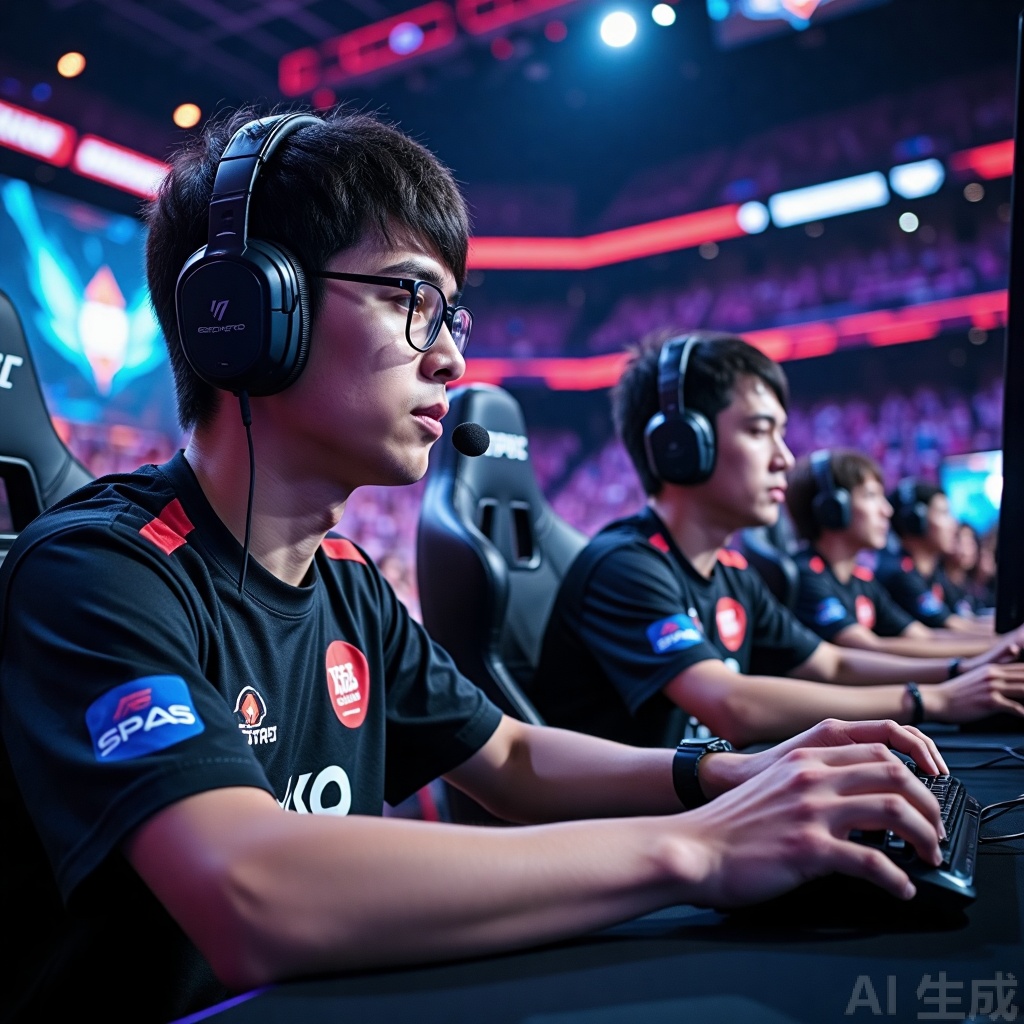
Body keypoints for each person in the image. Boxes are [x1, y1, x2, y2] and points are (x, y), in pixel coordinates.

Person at [0, 110, 956, 1022]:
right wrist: (702, 849)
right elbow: (250, 892)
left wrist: (728, 774)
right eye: (412, 300)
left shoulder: (348, 583)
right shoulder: (97, 570)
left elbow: (508, 757)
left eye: (452, 315)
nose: (454, 359)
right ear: (246, 311)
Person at [529, 331, 1024, 750]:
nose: (784, 458)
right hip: (633, 824)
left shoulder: (732, 572)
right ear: (680, 444)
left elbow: (830, 663)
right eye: (759, 431)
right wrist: (932, 699)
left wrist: (966, 670)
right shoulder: (626, 565)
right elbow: (732, 705)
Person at [785, 449, 1002, 658]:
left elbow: (922, 637)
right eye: (871, 496)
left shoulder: (862, 580)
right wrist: (992, 649)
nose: (886, 510)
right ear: (832, 508)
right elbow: (869, 649)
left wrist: (1000, 643)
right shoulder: (806, 575)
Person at [876, 480, 992, 635]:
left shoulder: (935, 574)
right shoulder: (899, 575)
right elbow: (953, 626)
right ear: (916, 521)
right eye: (944, 513)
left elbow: (965, 618)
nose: (954, 524)